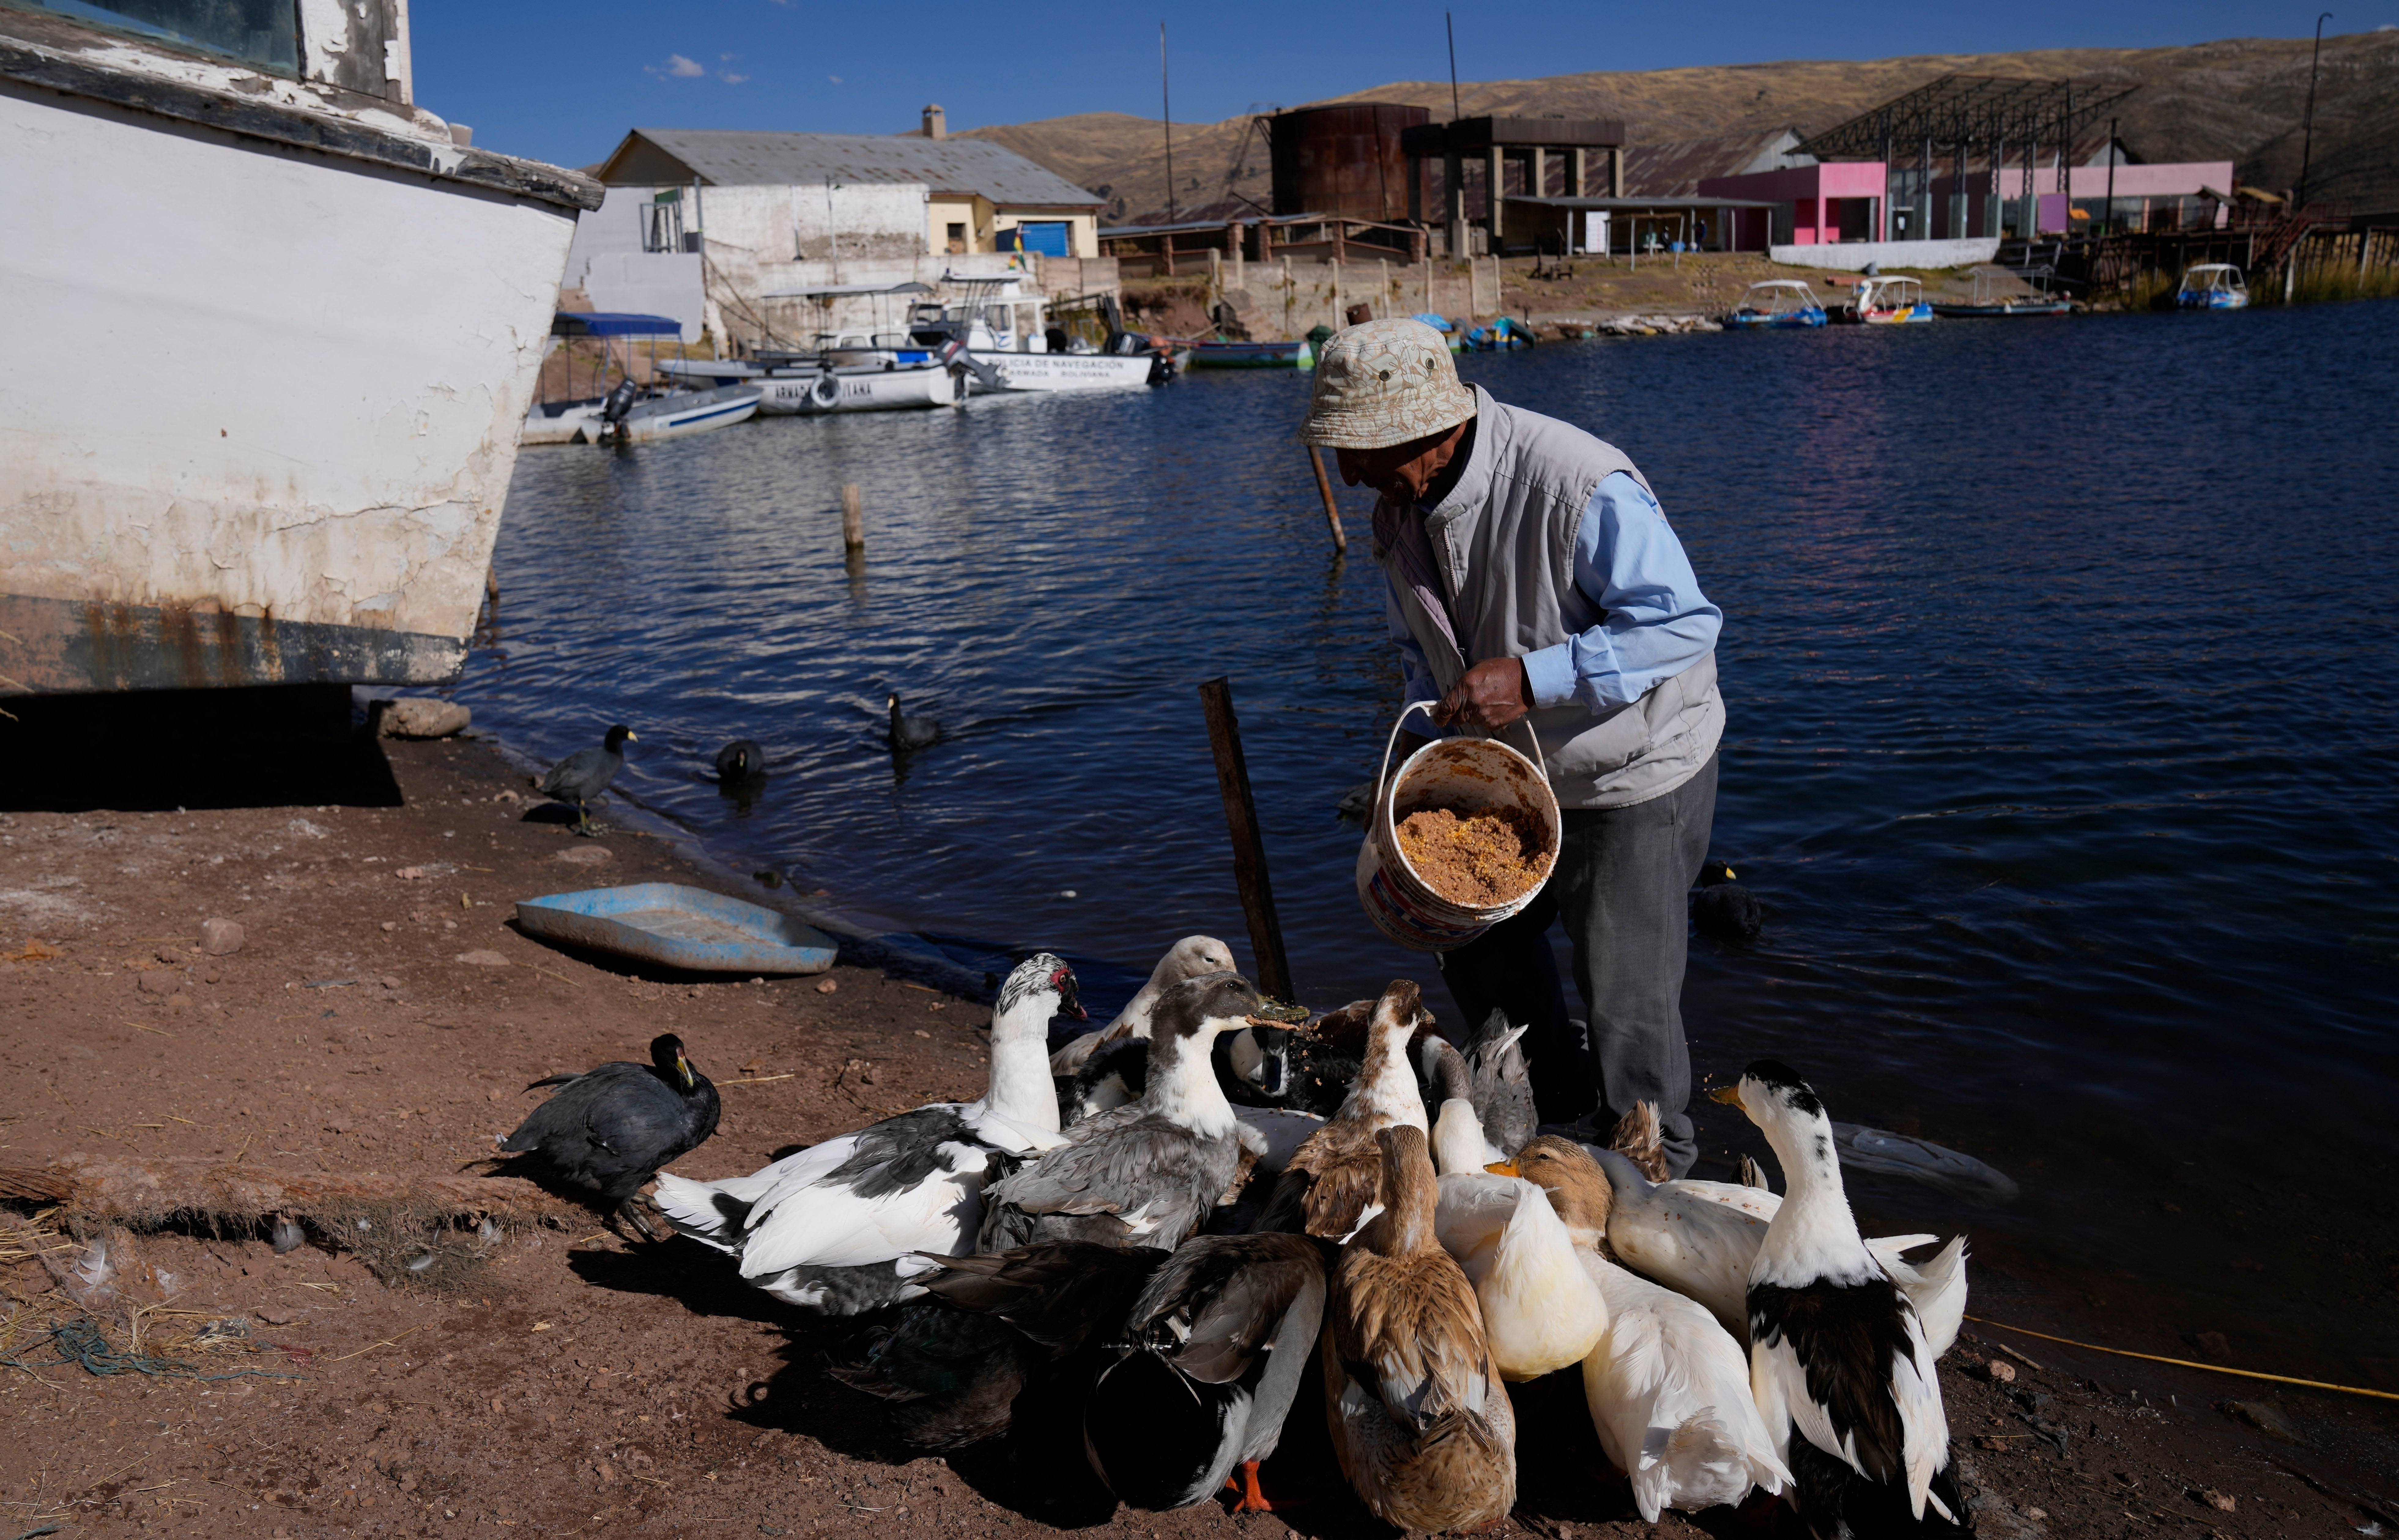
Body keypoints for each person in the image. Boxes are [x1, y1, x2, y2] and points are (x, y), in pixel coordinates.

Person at [1299, 318, 1724, 1177]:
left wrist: (1534, 678)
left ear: (1435, 430)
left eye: (1359, 450)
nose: (1345, 473)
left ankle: (1659, 1171)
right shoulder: (1402, 504)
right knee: (1472, 940)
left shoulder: (1574, 482)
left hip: (1629, 770)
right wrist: (1419, 751)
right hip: (1509, 771)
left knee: (1627, 1000)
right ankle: (1556, 1112)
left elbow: (1681, 623)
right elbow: (1419, 646)